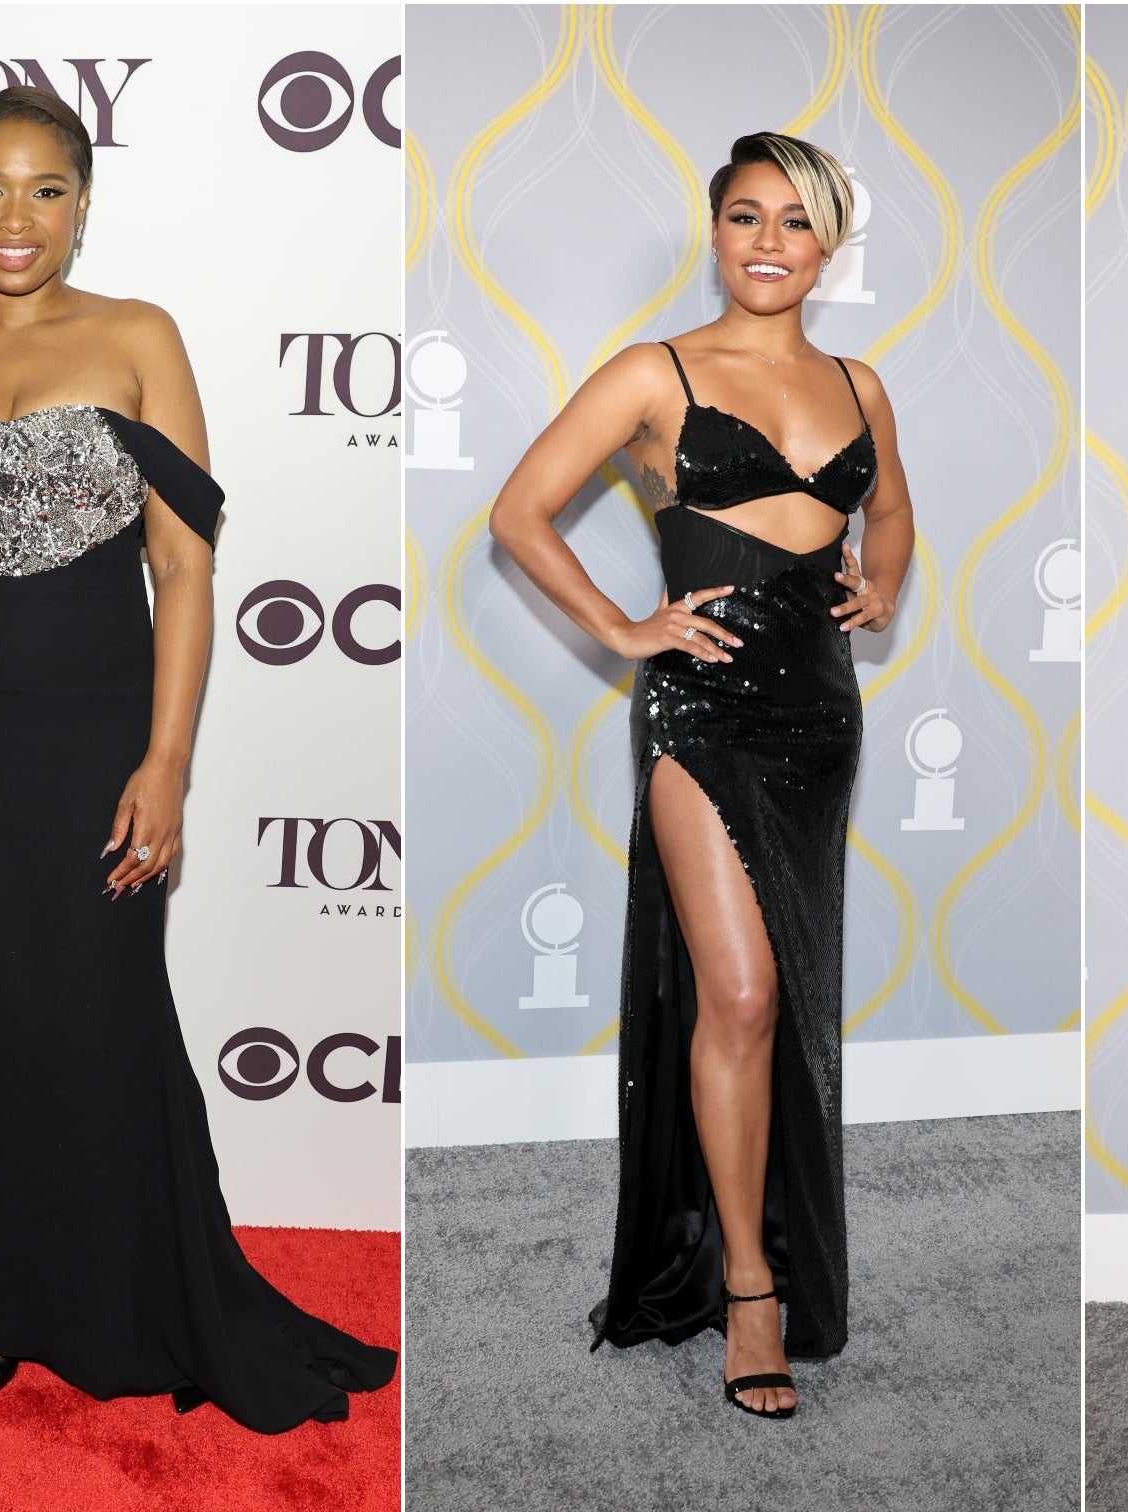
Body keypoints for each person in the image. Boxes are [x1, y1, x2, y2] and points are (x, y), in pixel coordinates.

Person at [0, 85, 396, 1433]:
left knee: (96, 1016)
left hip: (90, 730)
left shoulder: (141, 337)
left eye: (42, 189)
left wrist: (169, 763)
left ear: (84, 202)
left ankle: (113, 1297)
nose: (13, 218)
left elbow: (186, 573)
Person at [488, 132, 913, 1419]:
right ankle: (745, 1286)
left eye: (795, 222)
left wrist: (881, 578)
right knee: (734, 990)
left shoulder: (861, 384)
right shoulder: (655, 373)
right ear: (714, 230)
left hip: (818, 721)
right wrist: (626, 630)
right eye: (745, 216)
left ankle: (763, 1248)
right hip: (699, 710)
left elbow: (884, 512)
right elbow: (517, 512)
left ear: (827, 246)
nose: (768, 242)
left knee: (784, 991)